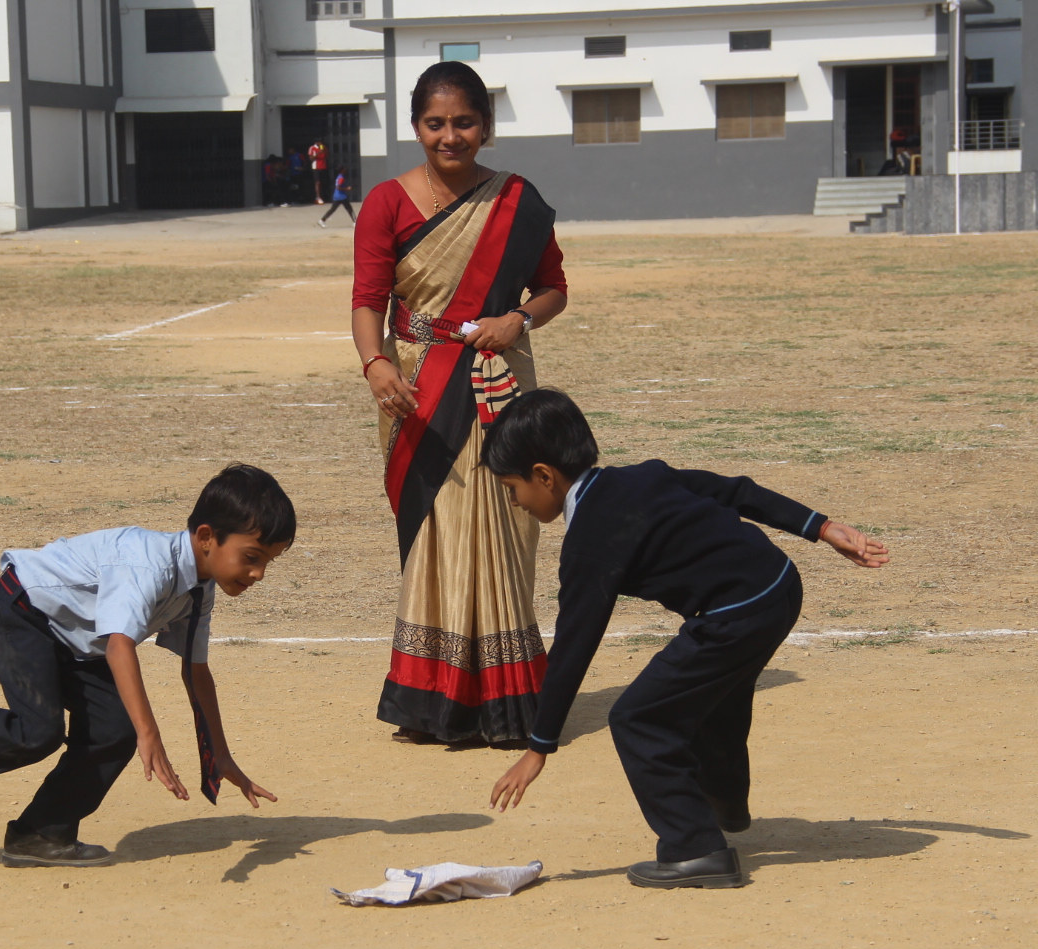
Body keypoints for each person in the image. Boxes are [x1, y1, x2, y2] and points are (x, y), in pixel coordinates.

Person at [483, 390, 890, 889]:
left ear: (544, 476)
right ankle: (725, 802)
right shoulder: (640, 476)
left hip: (737, 612)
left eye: (512, 488)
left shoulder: (588, 539)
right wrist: (820, 527)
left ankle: (695, 849)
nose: (515, 502)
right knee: (716, 692)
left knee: (638, 719)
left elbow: (574, 645)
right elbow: (734, 491)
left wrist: (539, 746)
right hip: (779, 585)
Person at [0, 465, 294, 867]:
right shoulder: (147, 563)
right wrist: (150, 733)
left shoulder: (200, 589)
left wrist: (220, 755)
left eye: (267, 562)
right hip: (24, 610)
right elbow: (120, 645)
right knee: (38, 730)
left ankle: (39, 834)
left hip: (77, 639)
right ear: (206, 537)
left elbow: (196, 672)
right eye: (251, 556)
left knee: (114, 730)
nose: (258, 573)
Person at [351, 60, 569, 745]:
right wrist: (376, 363)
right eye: (436, 123)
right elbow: (368, 300)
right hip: (417, 390)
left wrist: (519, 320)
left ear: (487, 125)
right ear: (416, 127)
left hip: (500, 383)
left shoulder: (517, 200)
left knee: (504, 529)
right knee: (435, 538)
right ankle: (433, 702)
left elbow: (554, 288)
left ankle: (506, 702)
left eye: (465, 122)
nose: (451, 136)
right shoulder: (386, 203)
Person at [307, 138, 328, 205]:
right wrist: (318, 153)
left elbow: (327, 156)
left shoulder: (324, 147)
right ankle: (318, 197)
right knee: (317, 182)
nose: (320, 143)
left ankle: (322, 196)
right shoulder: (312, 148)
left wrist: (324, 150)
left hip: (323, 166)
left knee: (323, 182)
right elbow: (311, 158)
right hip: (316, 167)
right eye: (319, 142)